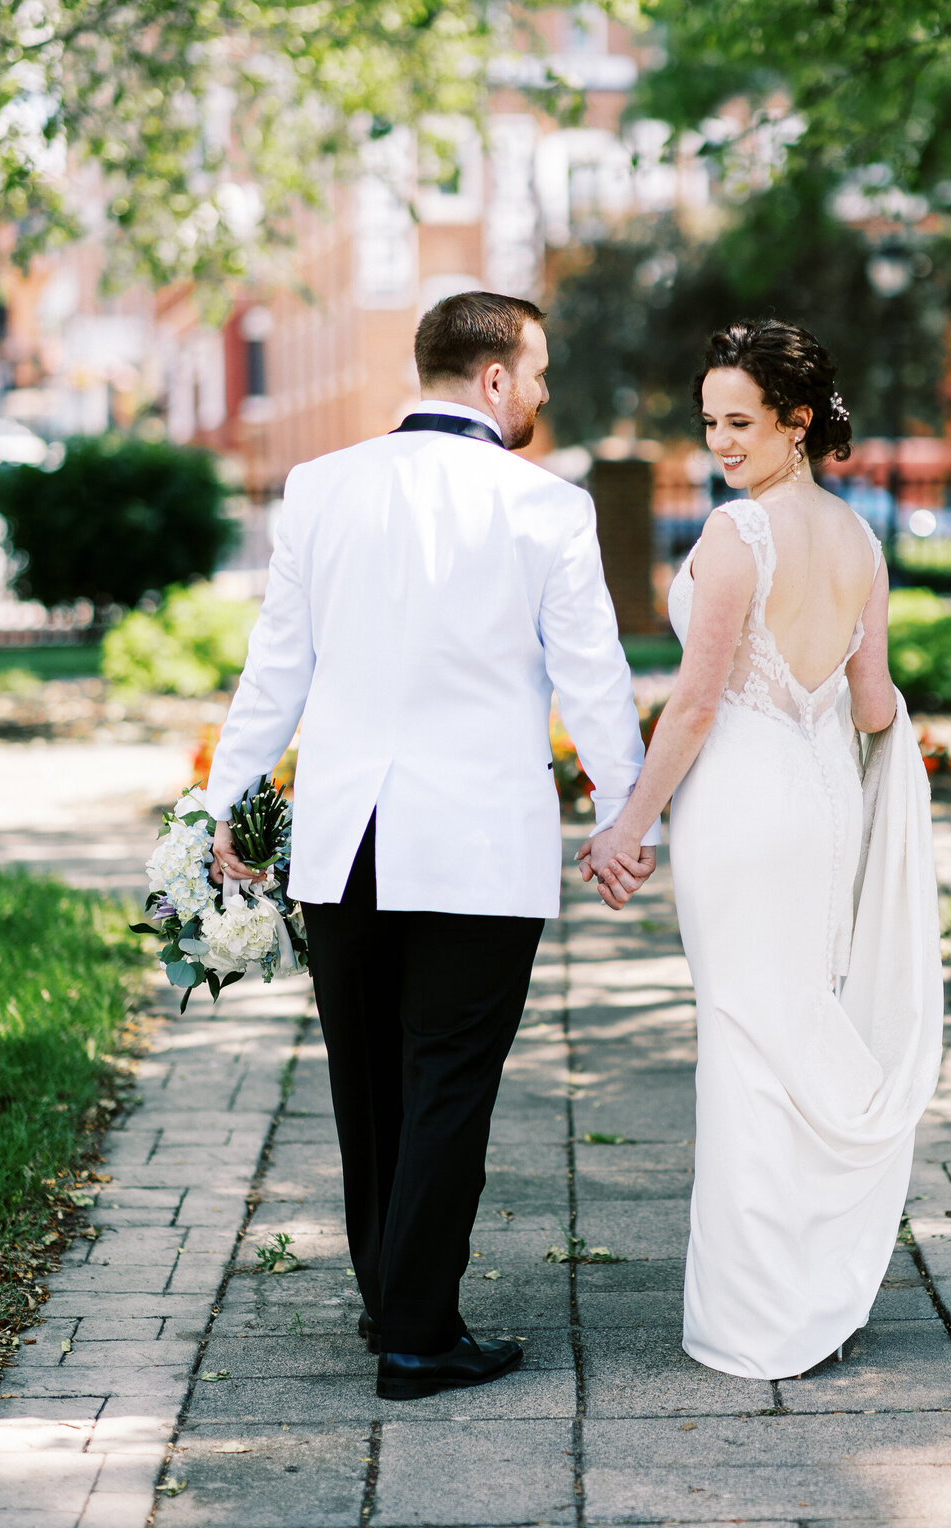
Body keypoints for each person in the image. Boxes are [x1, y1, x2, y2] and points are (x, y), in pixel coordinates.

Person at [205, 290, 657, 1401]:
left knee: (368, 1086)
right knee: (449, 1080)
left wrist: (227, 803)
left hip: (345, 842)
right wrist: (625, 814)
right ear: (497, 379)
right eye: (538, 373)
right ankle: (417, 1334)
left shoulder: (320, 487)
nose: (542, 393)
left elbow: (279, 667)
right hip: (475, 846)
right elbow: (591, 675)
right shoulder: (547, 506)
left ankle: (389, 1300)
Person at [582, 319, 944, 1381]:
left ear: (797, 424)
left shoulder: (740, 537)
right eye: (710, 423)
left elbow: (694, 706)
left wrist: (626, 827)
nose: (721, 443)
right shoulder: (862, 543)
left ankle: (756, 1320)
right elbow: (874, 704)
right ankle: (806, 1284)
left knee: (746, 1043)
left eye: (741, 423)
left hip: (745, 804)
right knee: (795, 1019)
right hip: (822, 799)